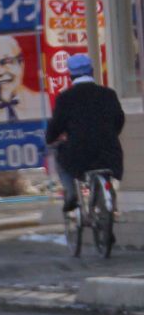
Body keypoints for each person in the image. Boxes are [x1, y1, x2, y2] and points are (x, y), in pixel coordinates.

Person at [45, 52, 125, 212]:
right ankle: (107, 195)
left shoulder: (65, 98)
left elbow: (56, 127)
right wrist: (109, 134)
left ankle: (71, 192)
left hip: (78, 154)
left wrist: (51, 138)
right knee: (105, 166)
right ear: (92, 71)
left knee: (57, 151)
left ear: (70, 76)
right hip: (109, 153)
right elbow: (119, 120)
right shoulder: (108, 94)